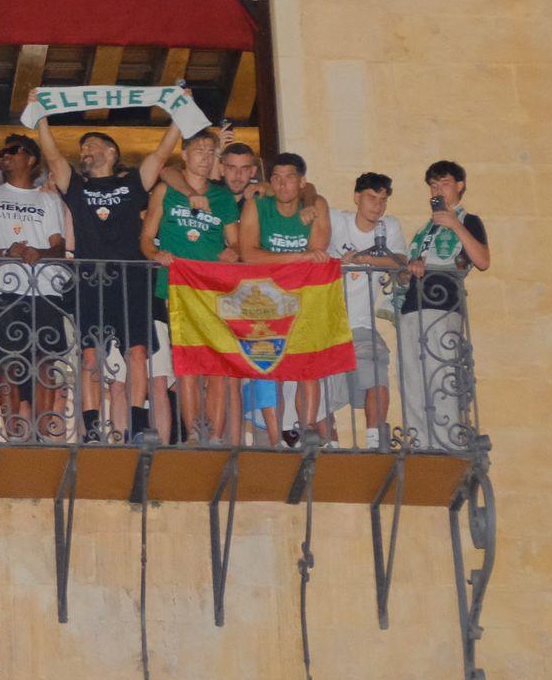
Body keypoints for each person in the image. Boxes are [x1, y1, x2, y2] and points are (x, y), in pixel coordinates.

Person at [34, 119, 180, 444]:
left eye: (92, 145)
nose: (85, 151)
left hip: (132, 279)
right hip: (90, 281)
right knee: (90, 355)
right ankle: (91, 429)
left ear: (111, 152)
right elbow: (54, 156)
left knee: (138, 352)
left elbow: (160, 155)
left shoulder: (132, 184)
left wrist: (178, 117)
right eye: (82, 147)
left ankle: (139, 427)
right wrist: (41, 118)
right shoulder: (77, 187)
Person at [141, 128, 241, 443]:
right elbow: (145, 237)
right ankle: (195, 433)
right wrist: (157, 254)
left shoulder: (223, 197)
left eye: (211, 152)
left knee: (217, 367)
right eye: (198, 150)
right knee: (187, 365)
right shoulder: (164, 191)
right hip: (174, 290)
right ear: (184, 154)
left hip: (213, 290)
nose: (205, 156)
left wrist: (232, 252)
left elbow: (237, 244)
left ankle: (215, 435)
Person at [0, 137, 76, 442]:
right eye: (2, 153)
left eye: (12, 151)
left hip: (45, 288)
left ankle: (44, 429)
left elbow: (59, 248)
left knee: (44, 359)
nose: (4, 156)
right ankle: (14, 431)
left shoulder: (48, 200)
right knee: (8, 359)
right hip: (6, 287)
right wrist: (9, 253)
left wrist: (38, 254)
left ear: (31, 159)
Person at [239, 151, 331, 445]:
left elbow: (317, 252)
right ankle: (275, 436)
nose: (281, 185)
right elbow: (248, 254)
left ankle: (306, 430)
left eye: (289, 178)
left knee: (308, 366)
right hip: (264, 299)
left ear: (301, 182)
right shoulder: (257, 205)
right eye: (276, 178)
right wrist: (297, 256)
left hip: (303, 299)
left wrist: (283, 259)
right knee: (267, 364)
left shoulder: (316, 205)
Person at [398, 160, 490, 451]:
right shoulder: (424, 231)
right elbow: (401, 276)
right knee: (413, 378)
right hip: (412, 307)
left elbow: (482, 260)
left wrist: (454, 224)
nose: (438, 190)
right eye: (433, 186)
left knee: (442, 375)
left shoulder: (469, 220)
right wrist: (409, 267)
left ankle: (449, 445)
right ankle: (421, 445)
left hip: (443, 307)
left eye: (444, 184)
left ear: (460, 186)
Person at [319, 171, 407, 449]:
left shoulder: (388, 227)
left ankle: (374, 443)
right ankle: (328, 445)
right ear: (357, 197)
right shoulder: (337, 219)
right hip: (327, 321)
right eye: (371, 197)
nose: (378, 206)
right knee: (321, 385)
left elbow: (401, 262)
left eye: (383, 200)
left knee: (377, 371)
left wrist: (363, 259)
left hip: (361, 323)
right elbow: (310, 197)